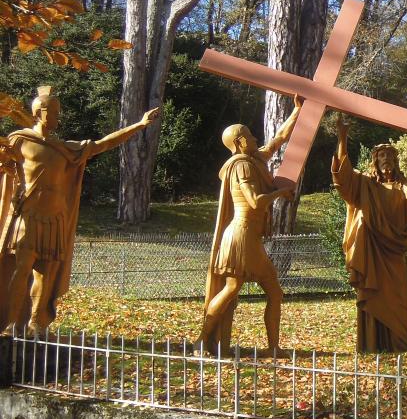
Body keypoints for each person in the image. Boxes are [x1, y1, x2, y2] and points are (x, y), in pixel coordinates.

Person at [0, 86, 160, 334]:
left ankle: (36, 323)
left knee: (44, 274)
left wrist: (139, 125)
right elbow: (5, 167)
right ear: (41, 112)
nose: (58, 117)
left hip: (56, 218)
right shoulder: (20, 140)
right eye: (55, 112)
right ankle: (11, 323)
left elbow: (103, 144)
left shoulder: (65, 148)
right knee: (21, 270)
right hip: (30, 216)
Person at [331, 114, 407, 353]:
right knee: (373, 296)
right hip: (370, 252)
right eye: (382, 156)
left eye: (390, 156)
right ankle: (373, 344)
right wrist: (342, 137)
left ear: (395, 161)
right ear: (375, 161)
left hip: (394, 256)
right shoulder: (364, 185)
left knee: (398, 300)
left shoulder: (405, 187)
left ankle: (400, 344)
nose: (386, 160)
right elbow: (343, 177)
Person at [197, 96, 302, 354]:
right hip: (241, 235)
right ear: (241, 142)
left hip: (249, 237)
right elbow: (255, 202)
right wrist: (282, 192)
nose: (257, 140)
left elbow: (278, 138)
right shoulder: (242, 166)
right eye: (252, 137)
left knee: (269, 292)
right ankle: (203, 340)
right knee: (238, 288)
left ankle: (272, 347)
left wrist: (297, 110)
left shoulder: (255, 160)